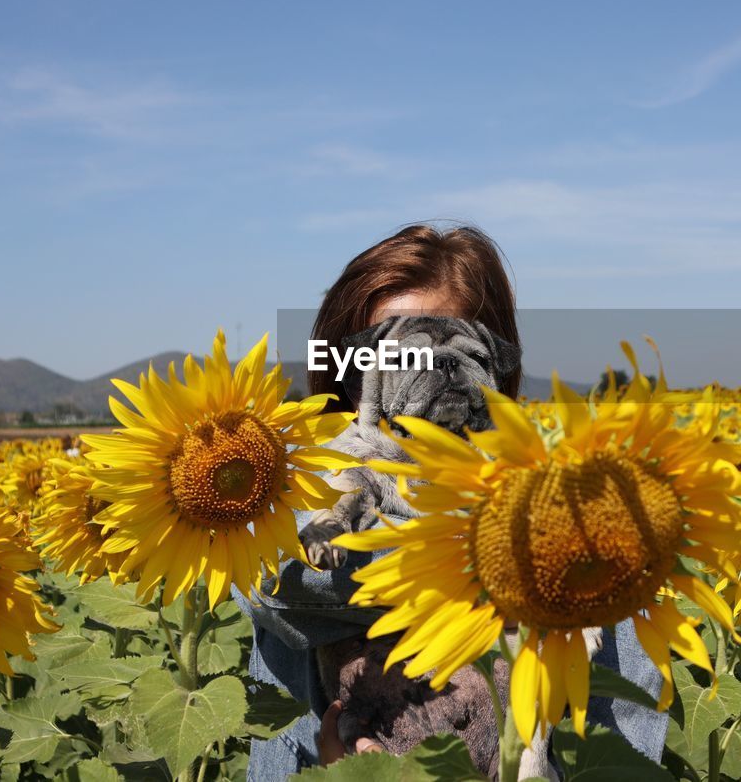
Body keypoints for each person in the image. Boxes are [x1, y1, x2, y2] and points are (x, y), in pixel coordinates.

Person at [233, 223, 668, 779]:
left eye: (457, 351)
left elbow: (620, 725)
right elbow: (279, 577)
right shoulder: (288, 474)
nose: (435, 371)